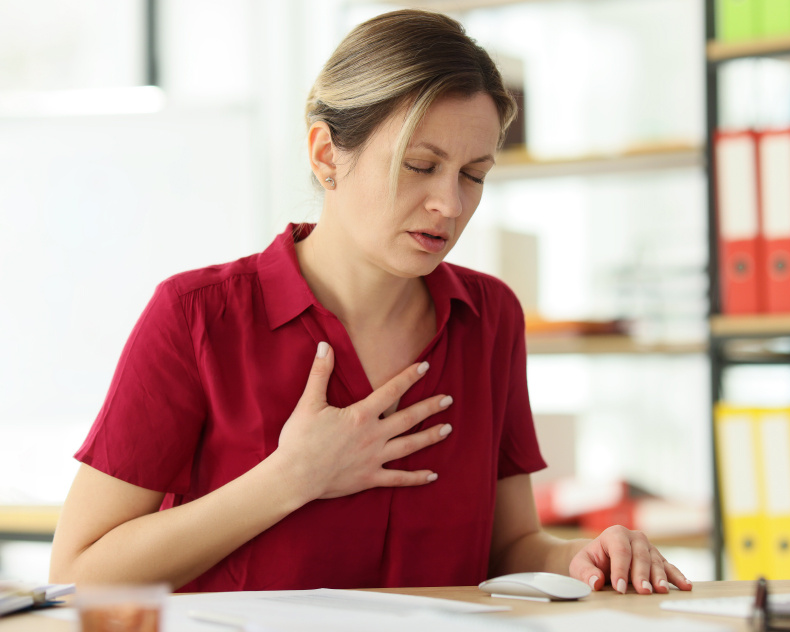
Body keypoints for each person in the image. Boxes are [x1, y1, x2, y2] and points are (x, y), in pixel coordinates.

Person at [50, 9, 692, 596]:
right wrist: (290, 478)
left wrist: (584, 558)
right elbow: (80, 575)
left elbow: (509, 545)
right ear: (327, 155)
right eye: (419, 165)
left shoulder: (490, 317)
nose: (451, 204)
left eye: (474, 175)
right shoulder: (196, 315)